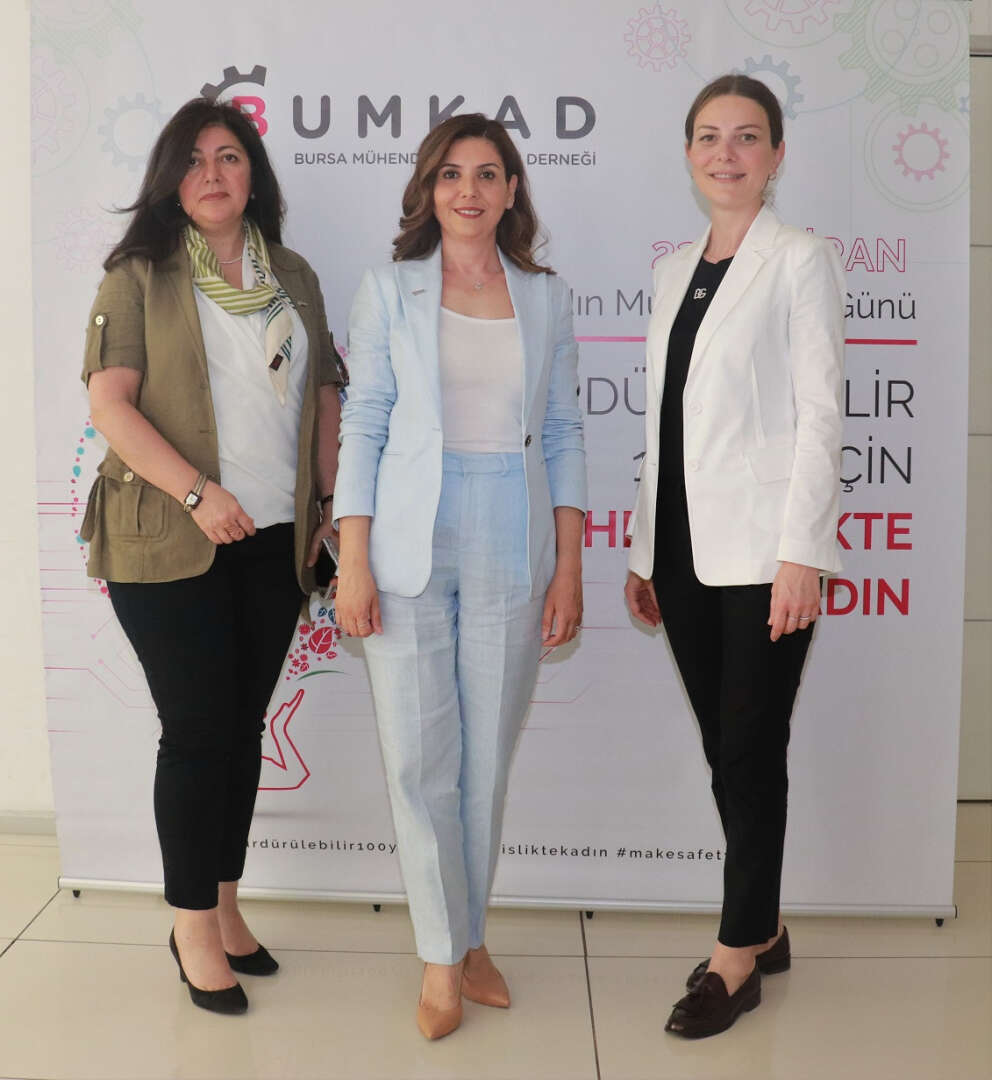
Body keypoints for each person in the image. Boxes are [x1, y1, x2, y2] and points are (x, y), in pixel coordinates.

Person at [80, 98, 344, 1014]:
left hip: (274, 541)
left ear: (254, 177)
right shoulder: (139, 275)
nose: (212, 174)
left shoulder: (294, 275)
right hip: (167, 540)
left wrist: (330, 509)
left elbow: (324, 396)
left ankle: (225, 905)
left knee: (240, 730)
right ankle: (191, 923)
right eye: (192, 160)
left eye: (229, 157)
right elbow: (110, 405)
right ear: (170, 180)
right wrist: (198, 492)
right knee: (197, 733)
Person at [334, 114, 586, 1040]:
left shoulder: (546, 297)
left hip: (512, 535)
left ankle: (471, 938)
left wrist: (569, 566)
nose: (468, 191)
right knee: (418, 758)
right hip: (406, 537)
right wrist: (351, 558)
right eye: (450, 174)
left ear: (512, 190)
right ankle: (442, 958)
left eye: (487, 174)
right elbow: (364, 421)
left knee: (484, 763)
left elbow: (563, 431)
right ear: (428, 190)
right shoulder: (388, 288)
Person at [624, 74, 845, 1039]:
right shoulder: (673, 270)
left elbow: (821, 415)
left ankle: (736, 956)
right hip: (681, 550)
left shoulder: (800, 259)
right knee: (727, 751)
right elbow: (666, 423)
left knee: (751, 750)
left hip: (764, 553)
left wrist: (802, 554)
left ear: (777, 154)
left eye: (748, 137)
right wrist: (645, 550)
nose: (727, 153)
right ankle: (770, 926)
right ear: (688, 154)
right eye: (709, 136)